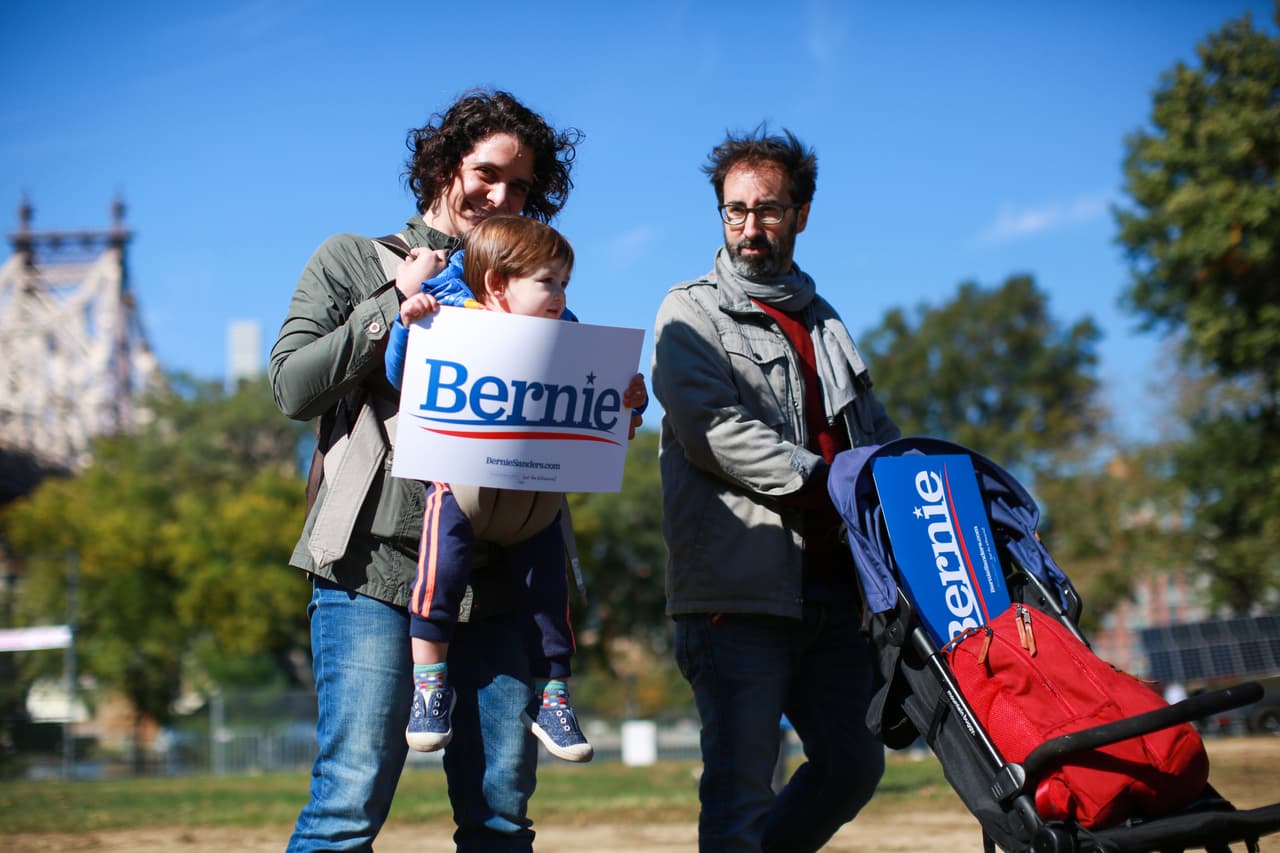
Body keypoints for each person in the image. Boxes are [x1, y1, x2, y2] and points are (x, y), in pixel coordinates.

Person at [270, 89, 582, 853]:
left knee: (502, 817)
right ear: (445, 164)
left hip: (501, 578)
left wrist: (608, 405)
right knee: (350, 802)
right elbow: (291, 385)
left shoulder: (530, 285)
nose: (501, 195)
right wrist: (390, 306)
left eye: (521, 188)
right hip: (373, 567)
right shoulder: (351, 258)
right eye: (486, 173)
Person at [651, 127, 901, 852]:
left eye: (767, 209)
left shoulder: (826, 322)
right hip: (738, 596)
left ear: (801, 213)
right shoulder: (688, 312)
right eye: (735, 210)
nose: (749, 226)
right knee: (738, 794)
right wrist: (832, 484)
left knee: (853, 766)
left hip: (834, 596)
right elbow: (713, 431)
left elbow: (873, 435)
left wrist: (906, 488)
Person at [383, 215, 648, 763]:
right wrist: (410, 323)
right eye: (547, 281)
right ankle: (430, 685)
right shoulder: (450, 316)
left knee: (549, 597)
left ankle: (553, 696)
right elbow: (398, 376)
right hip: (461, 486)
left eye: (564, 283)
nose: (560, 294)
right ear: (499, 285)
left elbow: (598, 422)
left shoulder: (569, 340)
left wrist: (630, 402)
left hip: (537, 499)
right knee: (439, 578)